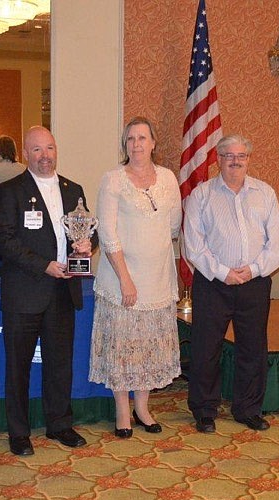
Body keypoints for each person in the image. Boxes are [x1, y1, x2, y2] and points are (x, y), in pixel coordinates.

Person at [0, 126, 96, 456]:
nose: (45, 155)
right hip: (25, 293)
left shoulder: (73, 189)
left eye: (49, 148)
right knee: (18, 366)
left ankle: (59, 424)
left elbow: (88, 232)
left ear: (56, 150)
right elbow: (3, 242)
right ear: (25, 154)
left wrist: (85, 246)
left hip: (63, 291)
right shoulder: (9, 191)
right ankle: (19, 432)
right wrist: (44, 265)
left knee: (59, 363)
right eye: (37, 150)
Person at [184, 134, 279, 434]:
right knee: (206, 349)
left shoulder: (265, 194)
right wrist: (223, 272)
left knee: (253, 349)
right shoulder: (201, 195)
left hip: (254, 284)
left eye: (241, 155)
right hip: (213, 283)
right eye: (228, 155)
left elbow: (276, 245)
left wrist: (253, 270)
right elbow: (194, 245)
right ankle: (204, 410)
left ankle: (248, 409)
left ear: (249, 159)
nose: (235, 160)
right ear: (219, 159)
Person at [88, 117, 182, 438]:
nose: (137, 144)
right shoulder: (113, 179)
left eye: (143, 138)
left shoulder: (168, 178)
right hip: (121, 282)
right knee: (124, 347)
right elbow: (108, 232)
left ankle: (143, 408)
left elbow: (172, 226)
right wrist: (126, 278)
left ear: (154, 143)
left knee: (148, 349)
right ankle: (123, 411)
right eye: (131, 139)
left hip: (158, 280)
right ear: (125, 145)